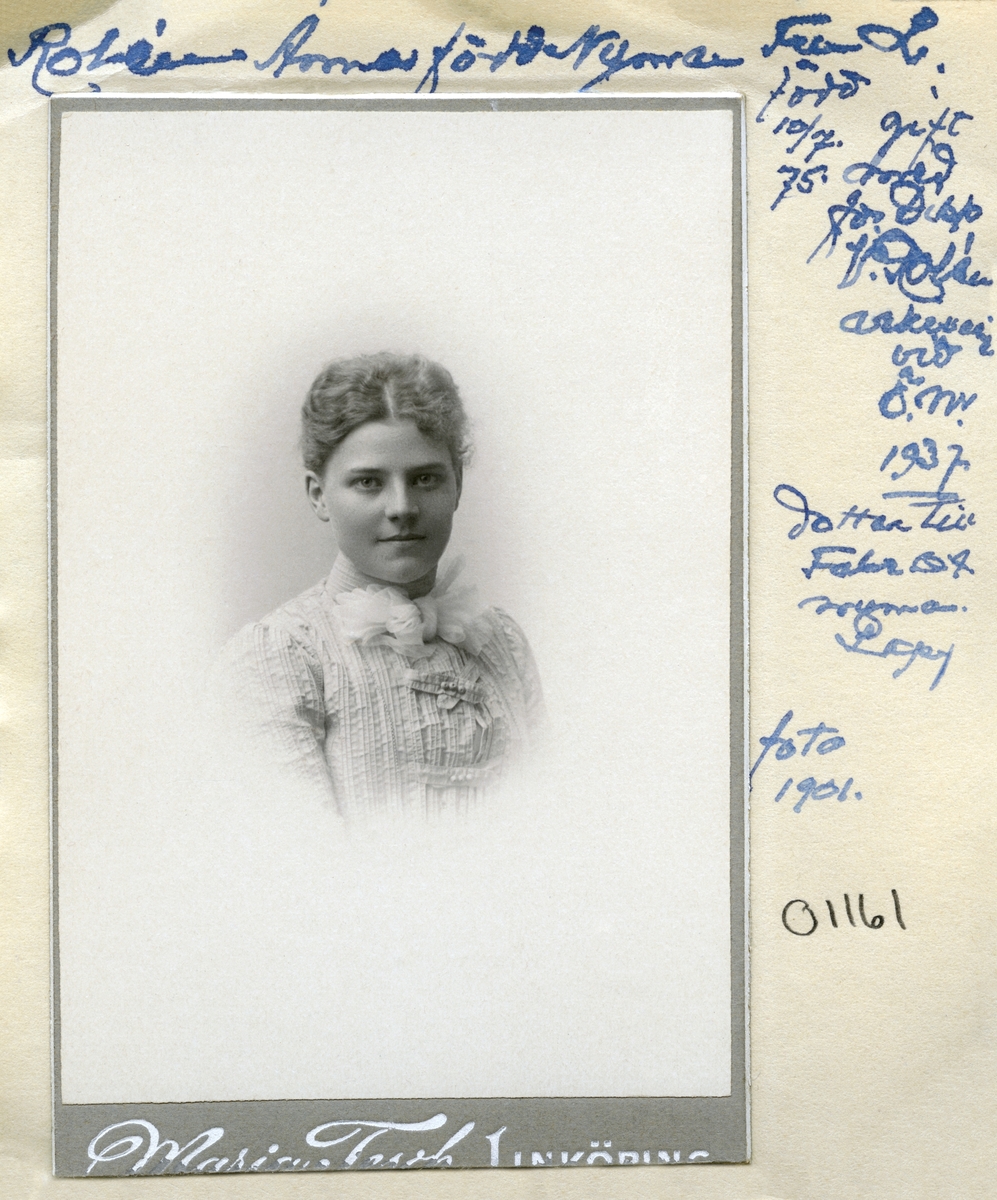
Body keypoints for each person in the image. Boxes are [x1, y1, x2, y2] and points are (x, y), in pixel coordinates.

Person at [222, 352, 544, 815]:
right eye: (369, 482)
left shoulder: (503, 644)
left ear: (457, 485)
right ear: (319, 495)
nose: (402, 507)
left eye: (425, 479)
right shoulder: (280, 658)